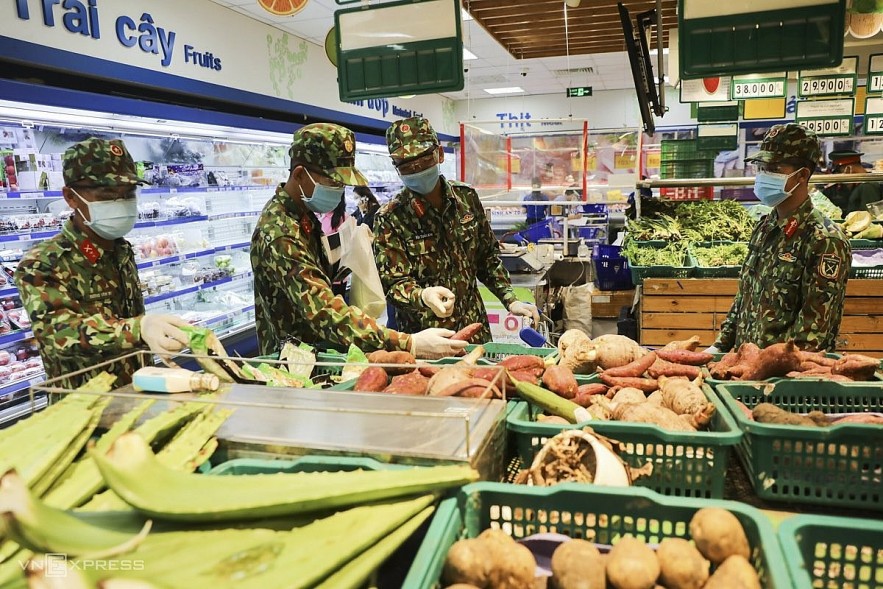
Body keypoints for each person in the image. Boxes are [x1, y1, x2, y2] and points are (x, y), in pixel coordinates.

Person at [250, 122, 466, 359]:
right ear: (300, 174)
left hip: (315, 356)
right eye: (333, 182)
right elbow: (323, 310)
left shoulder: (302, 217)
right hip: (292, 366)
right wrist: (407, 342)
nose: (339, 191)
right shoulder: (280, 232)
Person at [15, 138, 191, 388]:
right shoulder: (43, 263)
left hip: (137, 392)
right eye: (107, 195)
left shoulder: (120, 250)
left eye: (128, 194)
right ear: (71, 198)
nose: (120, 203)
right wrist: (138, 328)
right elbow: (59, 335)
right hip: (84, 409)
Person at [373, 116, 540, 343]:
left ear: (439, 154)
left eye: (423, 161)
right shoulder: (391, 218)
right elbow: (393, 284)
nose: (416, 170)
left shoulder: (466, 198)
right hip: (427, 339)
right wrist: (422, 295)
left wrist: (510, 299)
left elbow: (487, 257)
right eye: (406, 165)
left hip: (474, 330)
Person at [707, 123, 850, 354]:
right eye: (761, 167)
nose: (763, 175)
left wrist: (765, 369)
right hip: (744, 371)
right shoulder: (765, 227)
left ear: (802, 175)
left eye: (773, 168)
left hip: (785, 379)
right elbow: (745, 297)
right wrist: (720, 347)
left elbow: (813, 336)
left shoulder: (825, 240)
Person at [824, 149, 882, 215]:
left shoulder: (867, 186)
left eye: (840, 172)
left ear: (848, 169)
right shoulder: (859, 185)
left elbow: (869, 217)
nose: (839, 175)